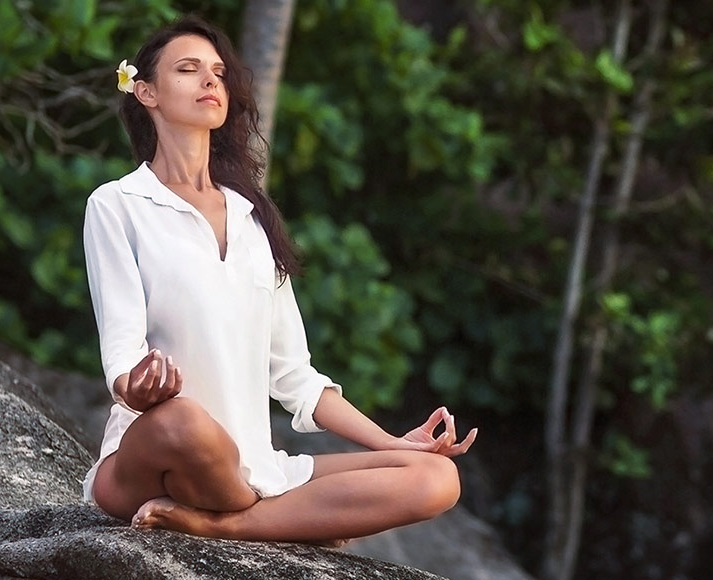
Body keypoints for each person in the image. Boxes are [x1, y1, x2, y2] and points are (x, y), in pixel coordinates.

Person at [81, 14, 478, 544]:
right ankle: (284, 521)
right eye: (189, 69)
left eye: (218, 73)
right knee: (185, 423)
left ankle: (221, 523)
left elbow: (296, 378)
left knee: (437, 479)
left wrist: (392, 442)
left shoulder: (253, 220)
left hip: (253, 471)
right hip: (155, 453)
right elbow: (122, 356)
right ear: (147, 92)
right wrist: (141, 387)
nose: (210, 82)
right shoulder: (118, 205)